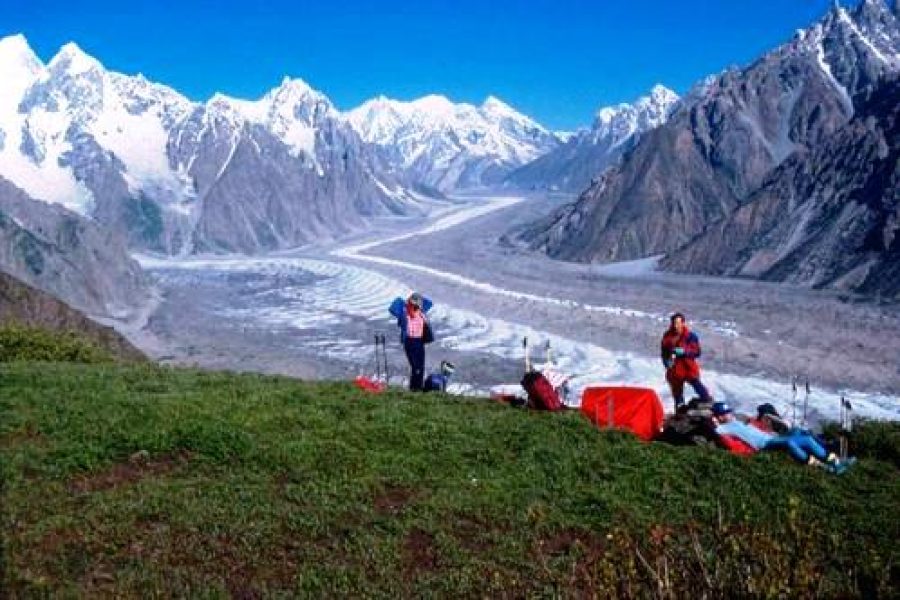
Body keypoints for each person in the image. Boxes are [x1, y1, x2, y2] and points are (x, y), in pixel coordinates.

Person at [711, 402, 854, 474]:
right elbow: (715, 431)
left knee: (800, 433)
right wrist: (713, 422)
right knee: (795, 442)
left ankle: (834, 461)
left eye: (729, 411)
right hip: (764, 444)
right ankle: (829, 466)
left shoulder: (736, 420)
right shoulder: (723, 428)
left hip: (770, 437)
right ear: (720, 416)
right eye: (725, 413)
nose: (729, 414)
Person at [660, 313, 712, 411]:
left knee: (697, 384)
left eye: (678, 323)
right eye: (674, 323)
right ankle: (680, 411)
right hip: (674, 369)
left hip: (688, 367)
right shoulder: (667, 336)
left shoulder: (690, 336)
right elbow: (664, 352)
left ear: (683, 323)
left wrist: (684, 351)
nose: (676, 326)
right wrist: (667, 363)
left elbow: (697, 352)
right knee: (677, 393)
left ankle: (707, 402)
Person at [388, 292, 433, 391]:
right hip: (409, 341)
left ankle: (417, 388)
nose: (418, 305)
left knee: (420, 366)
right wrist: (405, 302)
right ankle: (414, 388)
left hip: (419, 341)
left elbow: (429, 303)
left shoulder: (421, 312)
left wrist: (418, 298)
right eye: (416, 302)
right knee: (415, 366)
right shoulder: (404, 313)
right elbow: (392, 308)